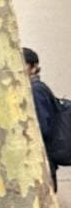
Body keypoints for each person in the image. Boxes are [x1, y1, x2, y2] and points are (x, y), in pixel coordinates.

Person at [24, 46, 58, 190]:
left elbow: (43, 127)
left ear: (33, 67)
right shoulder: (35, 88)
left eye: (23, 64)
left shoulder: (36, 90)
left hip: (42, 156)